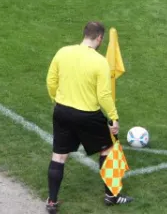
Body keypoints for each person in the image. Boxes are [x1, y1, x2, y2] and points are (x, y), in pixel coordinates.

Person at [45, 21, 133, 213]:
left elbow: (51, 81)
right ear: (100, 38)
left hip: (62, 111)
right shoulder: (100, 62)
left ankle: (52, 201)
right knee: (108, 150)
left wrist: (56, 99)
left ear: (84, 34)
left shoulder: (63, 52)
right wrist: (113, 117)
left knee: (59, 156)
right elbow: (103, 95)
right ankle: (112, 196)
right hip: (87, 115)